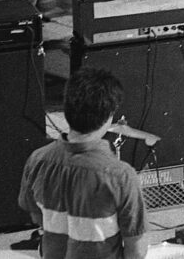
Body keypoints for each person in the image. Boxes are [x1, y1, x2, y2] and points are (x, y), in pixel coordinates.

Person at [19, 67, 146, 259]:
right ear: (109, 116)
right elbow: (135, 250)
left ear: (66, 108)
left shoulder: (37, 159)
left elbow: (36, 216)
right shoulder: (122, 175)